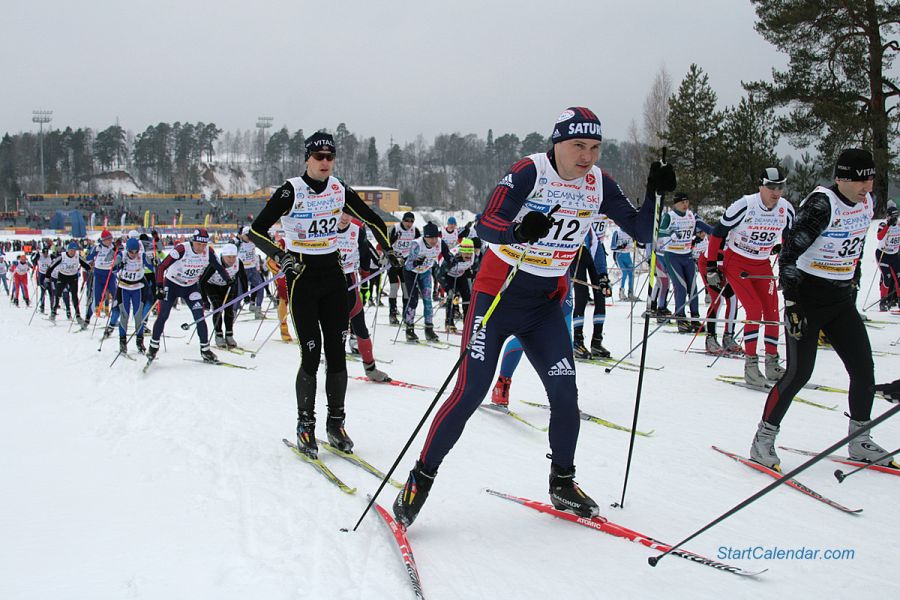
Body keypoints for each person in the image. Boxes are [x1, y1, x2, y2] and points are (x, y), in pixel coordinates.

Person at [393, 107, 673, 527]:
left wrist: (656, 194)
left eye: (594, 147)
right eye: (578, 146)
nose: (587, 157)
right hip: (498, 295)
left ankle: (562, 481)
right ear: (557, 143)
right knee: (469, 393)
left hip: (545, 304)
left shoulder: (598, 183)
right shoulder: (529, 171)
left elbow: (643, 230)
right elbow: (486, 224)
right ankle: (421, 478)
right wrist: (515, 232)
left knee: (565, 396)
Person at [249, 131, 395, 459]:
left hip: (333, 276)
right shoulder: (291, 190)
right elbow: (256, 230)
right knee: (311, 358)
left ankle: (336, 425)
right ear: (307, 159)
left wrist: (388, 247)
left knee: (338, 355)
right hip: (302, 277)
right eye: (319, 157)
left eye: (330, 157)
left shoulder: (339, 188)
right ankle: (305, 425)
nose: (325, 162)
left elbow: (373, 218)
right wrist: (279, 254)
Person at [750, 149, 897, 470]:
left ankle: (859, 439)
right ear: (840, 178)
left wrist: (853, 281)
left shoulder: (867, 202)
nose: (866, 187)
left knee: (863, 370)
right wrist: (790, 303)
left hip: (840, 300)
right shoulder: (821, 205)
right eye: (859, 180)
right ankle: (763, 439)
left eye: (870, 179)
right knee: (799, 374)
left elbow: (855, 249)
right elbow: (788, 255)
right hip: (806, 299)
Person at [706, 167, 795, 384]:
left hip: (762, 263)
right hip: (737, 262)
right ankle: (751, 365)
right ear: (761, 187)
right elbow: (718, 233)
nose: (776, 192)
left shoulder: (786, 209)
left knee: (773, 310)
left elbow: (789, 240)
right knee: (754, 310)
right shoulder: (745, 205)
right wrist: (711, 267)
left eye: (780, 187)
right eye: (771, 187)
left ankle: (772, 363)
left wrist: (787, 269)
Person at [147, 228, 233, 364]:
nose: (201, 248)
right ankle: (153, 347)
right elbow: (162, 267)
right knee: (163, 315)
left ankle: (205, 350)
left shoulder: (208, 252)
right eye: (198, 244)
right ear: (193, 241)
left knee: (200, 317)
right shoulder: (181, 249)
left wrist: (227, 279)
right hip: (172, 284)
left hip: (191, 287)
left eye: (204, 244)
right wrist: (159, 286)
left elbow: (219, 267)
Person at [336, 211, 391, 382]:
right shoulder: (326, 227)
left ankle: (371, 369)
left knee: (360, 326)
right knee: (337, 329)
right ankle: (335, 371)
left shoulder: (357, 230)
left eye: (348, 214)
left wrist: (366, 276)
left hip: (350, 280)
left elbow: (365, 252)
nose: (345, 218)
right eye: (341, 213)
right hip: (330, 281)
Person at [659, 191, 712, 332]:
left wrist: (720, 233)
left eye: (687, 202)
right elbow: (659, 231)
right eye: (682, 202)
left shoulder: (691, 216)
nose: (685, 205)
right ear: (675, 203)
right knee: (681, 287)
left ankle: (695, 319)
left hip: (687, 255)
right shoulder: (669, 216)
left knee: (693, 288)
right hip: (672, 255)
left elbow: (706, 228)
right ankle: (681, 319)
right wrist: (670, 233)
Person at [403, 222, 451, 342]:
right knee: (413, 300)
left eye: (435, 237)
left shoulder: (440, 243)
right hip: (411, 273)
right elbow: (408, 265)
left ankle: (429, 329)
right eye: (431, 238)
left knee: (428, 300)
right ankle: (409, 329)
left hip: (425, 272)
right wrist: (415, 262)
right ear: (425, 237)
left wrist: (455, 261)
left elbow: (448, 256)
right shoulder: (416, 244)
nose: (434, 240)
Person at [571, 228, 612, 359]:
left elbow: (596, 242)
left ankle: (597, 342)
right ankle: (578, 342)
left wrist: (603, 275)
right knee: (581, 296)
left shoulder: (602, 212)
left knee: (601, 294)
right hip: (577, 254)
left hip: (594, 251)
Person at [113, 237, 155, 354]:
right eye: (131, 251)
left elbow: (152, 265)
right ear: (128, 250)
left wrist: (155, 262)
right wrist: (118, 265)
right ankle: (122, 342)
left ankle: (139, 342)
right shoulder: (122, 255)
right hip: (124, 289)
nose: (134, 254)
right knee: (124, 315)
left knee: (138, 316)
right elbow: (113, 268)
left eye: (136, 251)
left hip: (137, 289)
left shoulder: (141, 256)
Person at [200, 243, 246, 349]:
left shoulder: (238, 263)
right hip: (212, 286)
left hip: (228, 286)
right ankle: (219, 335)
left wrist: (245, 294)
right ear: (223, 256)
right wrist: (204, 300)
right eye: (228, 257)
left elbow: (243, 279)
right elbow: (202, 282)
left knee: (229, 310)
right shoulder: (215, 263)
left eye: (233, 257)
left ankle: (229, 335)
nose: (231, 260)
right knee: (218, 308)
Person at [84, 229, 120, 336]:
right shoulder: (97, 247)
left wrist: (116, 268)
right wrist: (91, 261)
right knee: (97, 299)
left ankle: (114, 319)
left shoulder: (114, 247)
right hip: (99, 275)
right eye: (107, 239)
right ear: (103, 240)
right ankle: (87, 319)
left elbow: (119, 258)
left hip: (110, 275)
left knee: (115, 298)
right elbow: (88, 258)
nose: (110, 241)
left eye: (110, 239)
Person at [388, 212, 420, 325]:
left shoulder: (415, 230)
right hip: (394, 260)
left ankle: (406, 313)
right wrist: (393, 240)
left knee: (406, 288)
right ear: (403, 220)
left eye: (412, 221)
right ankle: (392, 313)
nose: (409, 223)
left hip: (406, 261)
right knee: (393, 288)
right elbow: (386, 244)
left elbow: (419, 245)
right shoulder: (395, 228)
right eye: (407, 220)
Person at [47, 242, 92, 323]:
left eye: (74, 250)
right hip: (62, 276)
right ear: (68, 250)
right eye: (71, 250)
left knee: (74, 296)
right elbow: (52, 266)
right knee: (58, 294)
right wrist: (47, 276)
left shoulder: (77, 256)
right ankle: (53, 313)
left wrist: (89, 269)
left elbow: (84, 264)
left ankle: (78, 315)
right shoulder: (62, 256)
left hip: (73, 277)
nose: (73, 252)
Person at [439, 237, 476, 333]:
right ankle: (449, 322)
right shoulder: (453, 257)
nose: (468, 256)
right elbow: (439, 274)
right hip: (447, 275)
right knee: (452, 296)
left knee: (467, 297)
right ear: (461, 251)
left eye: (470, 253)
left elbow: (472, 269)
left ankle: (467, 323)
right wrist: (447, 287)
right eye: (466, 253)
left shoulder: (473, 256)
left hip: (460, 274)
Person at [876, 200, 899, 311]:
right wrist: (888, 225)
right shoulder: (883, 224)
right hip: (883, 254)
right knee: (887, 277)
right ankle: (883, 301)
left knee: (898, 277)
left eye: (896, 216)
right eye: (892, 217)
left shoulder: (899, 225)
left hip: (894, 255)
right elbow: (879, 237)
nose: (895, 219)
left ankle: (898, 301)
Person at [237, 226, 266, 318]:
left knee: (261, 287)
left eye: (250, 236)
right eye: (247, 236)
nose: (249, 238)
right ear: (243, 235)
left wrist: (259, 266)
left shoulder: (254, 242)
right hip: (242, 271)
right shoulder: (238, 244)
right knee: (240, 291)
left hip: (253, 269)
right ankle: (233, 311)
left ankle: (258, 310)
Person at [610, 226, 636, 301]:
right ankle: (621, 293)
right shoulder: (617, 232)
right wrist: (620, 246)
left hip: (627, 255)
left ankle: (630, 293)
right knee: (624, 273)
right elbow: (612, 247)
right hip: (619, 255)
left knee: (631, 274)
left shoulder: (630, 231)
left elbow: (635, 243)